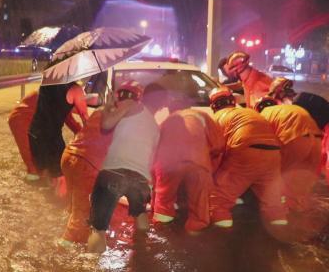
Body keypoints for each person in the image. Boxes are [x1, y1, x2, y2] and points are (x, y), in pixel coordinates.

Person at [87, 82, 167, 253]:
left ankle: (92, 262)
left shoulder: (132, 105)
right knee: (140, 214)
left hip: (114, 172)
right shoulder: (155, 127)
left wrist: (108, 107)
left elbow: (107, 124)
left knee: (98, 229)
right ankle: (144, 252)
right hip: (140, 178)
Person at [58, 82, 140, 246]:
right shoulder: (124, 119)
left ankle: (72, 229)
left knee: (76, 203)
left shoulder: (103, 111)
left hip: (69, 157)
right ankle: (65, 248)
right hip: (86, 164)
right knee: (81, 214)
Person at [269, 78, 329, 209]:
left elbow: (300, 130)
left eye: (277, 99)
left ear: (280, 95)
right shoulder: (302, 99)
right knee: (314, 169)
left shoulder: (298, 104)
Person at [208, 87, 287, 228]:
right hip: (273, 153)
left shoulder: (216, 118)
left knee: (218, 200)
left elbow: (215, 152)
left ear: (213, 106)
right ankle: (282, 236)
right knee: (274, 203)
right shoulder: (249, 112)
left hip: (245, 151)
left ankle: (221, 239)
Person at [152, 100, 225, 233]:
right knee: (199, 208)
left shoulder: (166, 121)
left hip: (169, 164)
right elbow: (218, 145)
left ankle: (161, 229)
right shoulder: (202, 115)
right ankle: (194, 233)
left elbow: (154, 149)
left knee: (163, 203)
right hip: (197, 162)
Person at [254, 96, 323, 211]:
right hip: (317, 139)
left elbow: (265, 144)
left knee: (281, 173)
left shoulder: (263, 115)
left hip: (295, 139)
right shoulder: (286, 108)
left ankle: (282, 207)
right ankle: (300, 206)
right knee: (304, 175)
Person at [8, 90, 82, 182]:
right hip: (21, 119)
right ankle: (34, 175)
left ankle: (40, 172)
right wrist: (82, 133)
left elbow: (70, 120)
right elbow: (70, 120)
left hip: (30, 120)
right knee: (28, 149)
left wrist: (81, 132)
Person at [28, 82, 89, 179]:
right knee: (60, 179)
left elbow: (54, 108)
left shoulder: (46, 83)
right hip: (51, 140)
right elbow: (85, 117)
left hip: (33, 135)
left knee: (46, 175)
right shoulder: (75, 89)